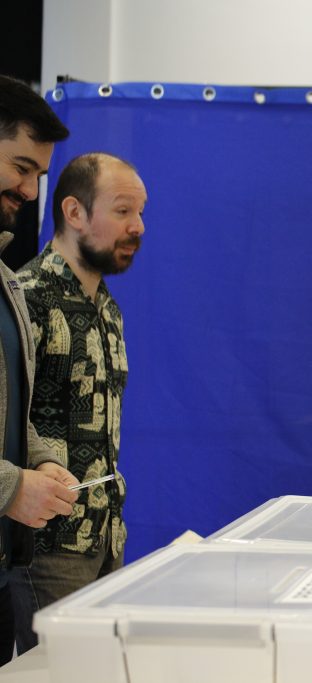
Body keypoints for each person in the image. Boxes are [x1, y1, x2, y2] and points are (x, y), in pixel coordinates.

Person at [9, 152, 146, 652]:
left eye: (141, 213)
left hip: (107, 535)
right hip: (48, 548)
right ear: (74, 213)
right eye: (123, 211)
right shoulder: (24, 298)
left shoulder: (108, 308)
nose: (138, 226)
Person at [0, 75, 78, 665]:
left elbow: (15, 410)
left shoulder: (5, 282)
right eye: (21, 167)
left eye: (37, 175)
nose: (29, 191)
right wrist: (11, 487)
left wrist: (44, 458)